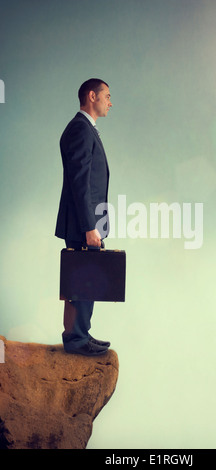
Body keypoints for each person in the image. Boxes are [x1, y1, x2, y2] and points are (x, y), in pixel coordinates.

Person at [55, 78, 112, 356]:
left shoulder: (85, 129)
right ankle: (77, 339)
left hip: (85, 221)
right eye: (107, 96)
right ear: (92, 96)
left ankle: (80, 334)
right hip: (82, 222)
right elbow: (80, 181)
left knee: (85, 278)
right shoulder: (80, 129)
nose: (110, 102)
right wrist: (90, 226)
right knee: (81, 279)